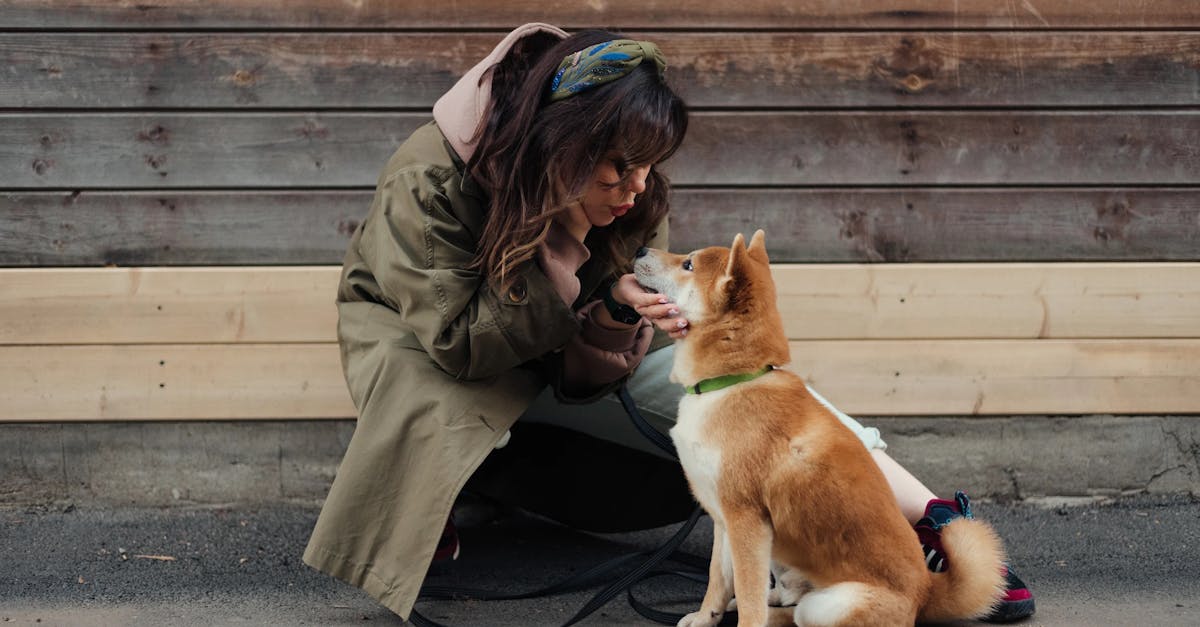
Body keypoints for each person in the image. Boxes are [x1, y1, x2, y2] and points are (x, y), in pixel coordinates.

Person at [303, 23, 1034, 623]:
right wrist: (561, 250)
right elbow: (457, 342)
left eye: (650, 168)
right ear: (563, 143)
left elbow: (607, 311)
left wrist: (619, 305)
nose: (637, 189)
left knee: (751, 394)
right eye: (618, 168)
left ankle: (928, 518)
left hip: (558, 342)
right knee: (437, 392)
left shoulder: (624, 186)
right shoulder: (429, 176)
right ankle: (438, 498)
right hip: (432, 346)